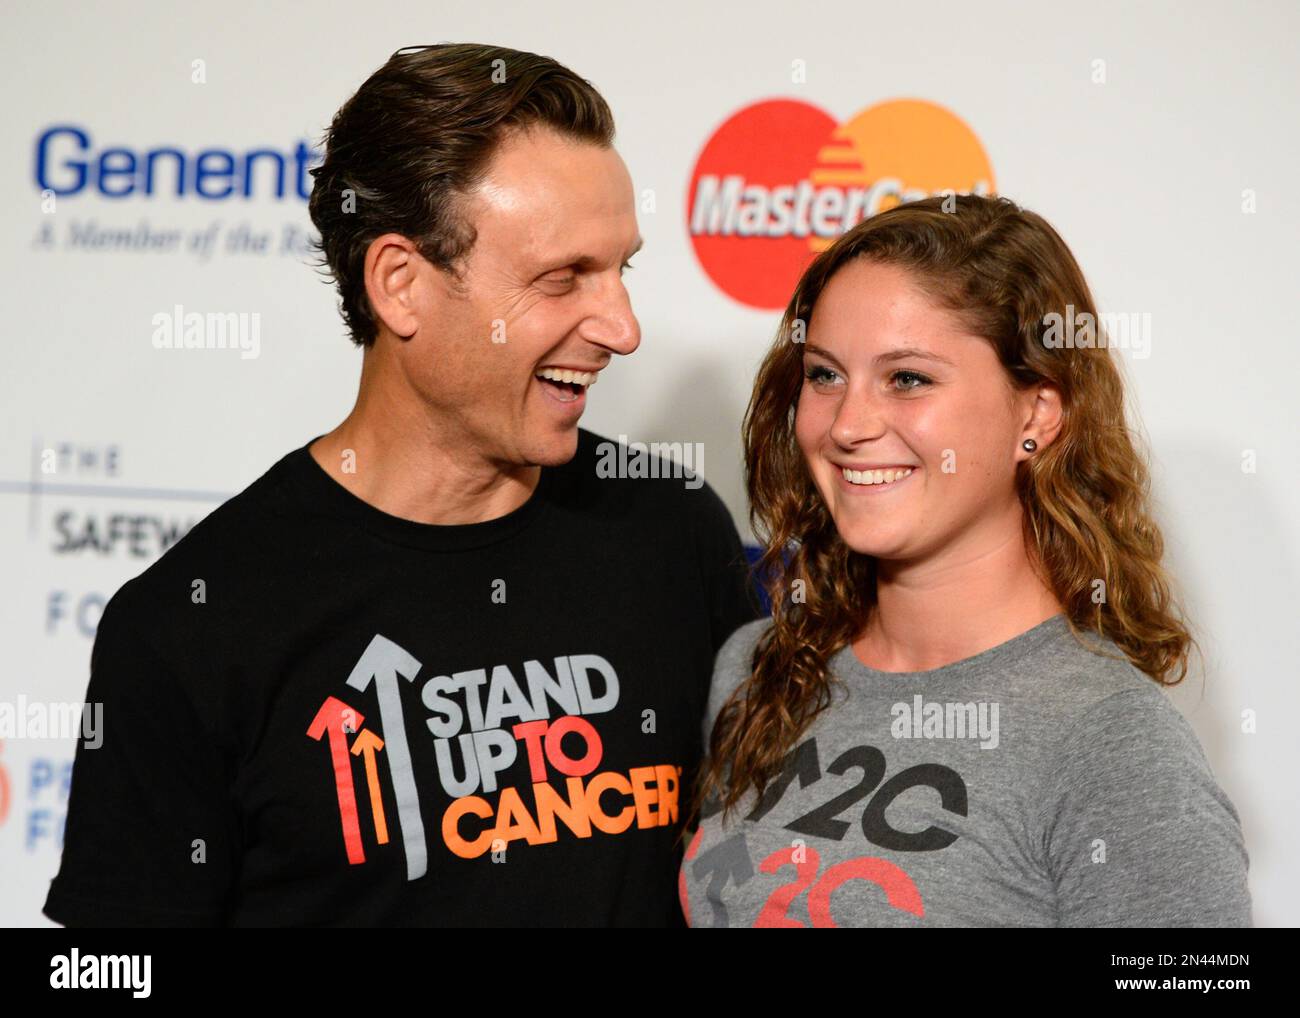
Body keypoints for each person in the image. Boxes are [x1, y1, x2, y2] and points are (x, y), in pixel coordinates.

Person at [43, 43, 758, 928]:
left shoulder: (672, 532)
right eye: (562, 278)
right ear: (400, 285)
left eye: (622, 270)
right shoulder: (191, 624)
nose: (622, 326)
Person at [679, 193, 1252, 928]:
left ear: (1037, 413)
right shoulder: (758, 665)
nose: (848, 424)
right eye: (824, 375)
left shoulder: (1112, 746)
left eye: (907, 379)